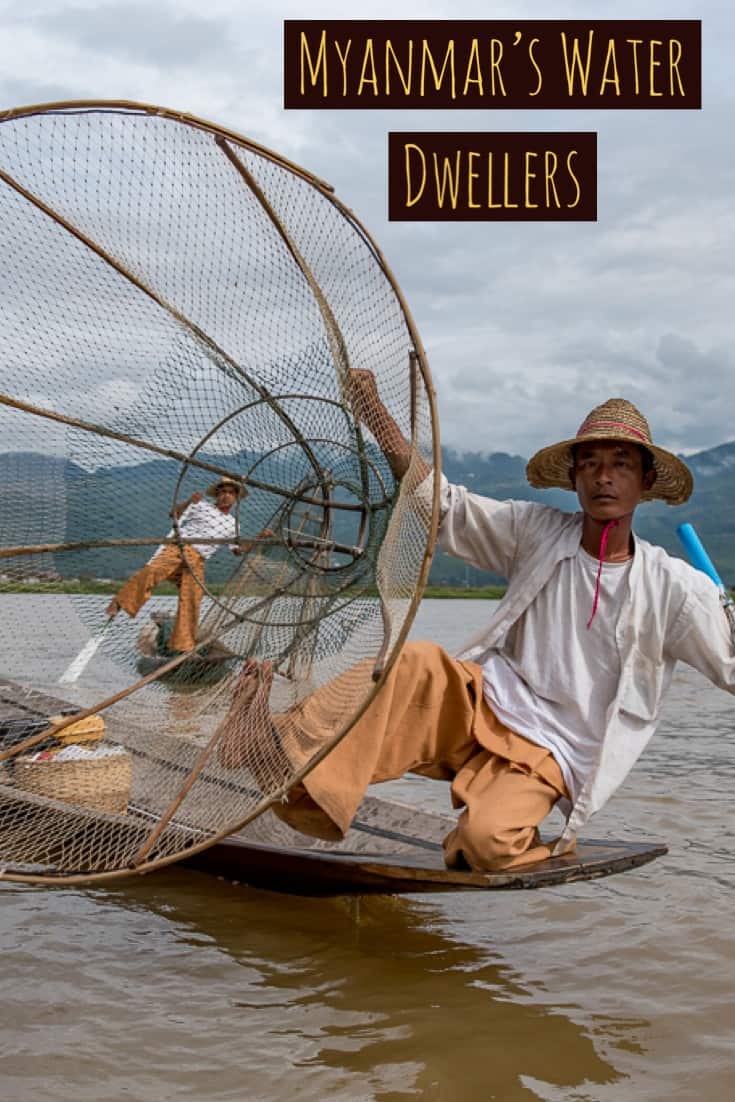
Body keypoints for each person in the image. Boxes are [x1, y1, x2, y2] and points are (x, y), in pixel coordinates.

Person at [222, 371, 735, 872]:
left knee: (487, 847)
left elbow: (729, 667)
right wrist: (376, 416)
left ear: (645, 481)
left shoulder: (676, 586)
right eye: (591, 464)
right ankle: (268, 744)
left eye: (621, 464)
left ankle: (489, 829)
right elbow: (442, 506)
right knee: (415, 663)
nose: (604, 476)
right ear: (574, 477)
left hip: (551, 752)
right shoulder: (537, 532)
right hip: (485, 703)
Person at [107, 477, 253, 653]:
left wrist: (259, 539)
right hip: (179, 548)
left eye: (230, 493)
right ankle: (119, 601)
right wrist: (189, 502)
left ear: (236, 498)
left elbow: (238, 550)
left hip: (198, 560)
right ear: (217, 494)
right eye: (223, 492)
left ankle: (183, 646)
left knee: (192, 599)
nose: (226, 496)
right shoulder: (201, 505)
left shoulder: (233, 524)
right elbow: (174, 514)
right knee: (153, 570)